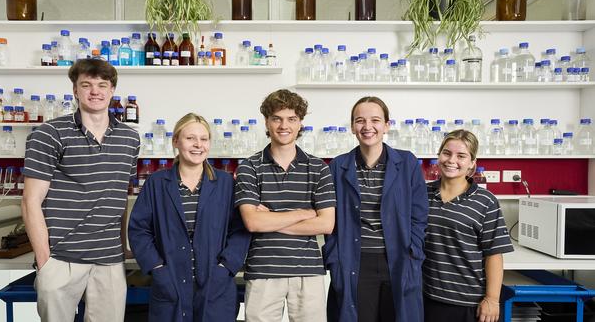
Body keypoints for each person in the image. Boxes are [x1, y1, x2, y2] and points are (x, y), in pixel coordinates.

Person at [21, 59, 140, 322]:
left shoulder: (130, 139)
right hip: (61, 258)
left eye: (102, 85)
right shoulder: (49, 134)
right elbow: (31, 200)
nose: (94, 91)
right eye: (86, 85)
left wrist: (122, 246)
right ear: (75, 90)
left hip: (109, 259)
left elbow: (119, 198)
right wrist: (45, 262)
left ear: (112, 91)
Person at [128, 113, 251, 321]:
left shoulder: (225, 183)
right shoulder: (157, 183)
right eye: (190, 138)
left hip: (215, 286)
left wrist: (226, 268)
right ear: (176, 141)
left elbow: (240, 230)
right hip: (170, 284)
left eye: (204, 139)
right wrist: (157, 269)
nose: (198, 145)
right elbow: (139, 230)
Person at [235, 89, 336, 322]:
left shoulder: (319, 168)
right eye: (277, 118)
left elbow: (326, 224)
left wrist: (271, 219)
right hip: (263, 271)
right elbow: (252, 222)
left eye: (291, 119)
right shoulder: (249, 167)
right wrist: (303, 213)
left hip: (308, 271)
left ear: (300, 123)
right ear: (267, 122)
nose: (284, 125)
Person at [325, 96, 428, 322]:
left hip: (399, 259)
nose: (367, 127)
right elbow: (329, 219)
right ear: (352, 127)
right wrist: (334, 256)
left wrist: (414, 251)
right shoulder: (338, 166)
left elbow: (419, 215)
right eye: (360, 120)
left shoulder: (407, 162)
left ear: (386, 125)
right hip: (354, 261)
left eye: (375, 120)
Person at [423, 129, 514, 322]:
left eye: (461, 156)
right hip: (426, 298)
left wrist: (492, 299)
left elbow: (494, 254)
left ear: (472, 163)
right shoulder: (422, 193)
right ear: (439, 155)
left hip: (467, 302)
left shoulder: (485, 201)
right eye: (446, 153)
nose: (451, 160)